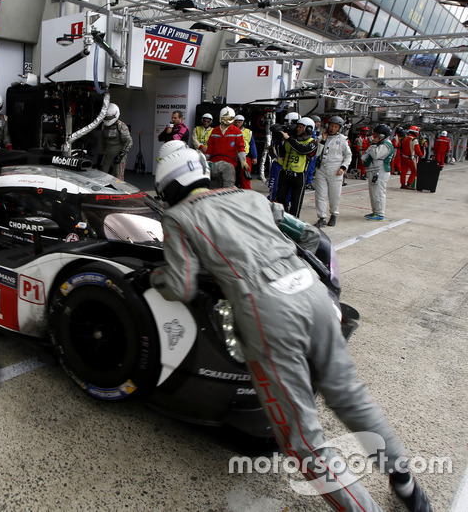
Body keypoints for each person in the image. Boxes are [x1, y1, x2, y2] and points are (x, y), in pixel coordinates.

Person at [143, 143, 433, 512]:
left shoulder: (179, 218)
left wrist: (157, 278)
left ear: (168, 188)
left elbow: (181, 286)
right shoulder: (251, 197)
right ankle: (406, 484)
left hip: (268, 311)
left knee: (301, 440)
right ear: (200, 172)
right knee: (349, 393)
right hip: (310, 290)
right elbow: (310, 236)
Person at [313, 116, 352, 228]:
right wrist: (323, 140)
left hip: (336, 170)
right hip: (321, 169)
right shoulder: (320, 138)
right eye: (331, 126)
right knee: (320, 195)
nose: (332, 128)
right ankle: (322, 217)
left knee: (334, 195)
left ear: (339, 128)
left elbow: (349, 156)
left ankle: (334, 214)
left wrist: (343, 167)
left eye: (335, 127)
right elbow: (316, 154)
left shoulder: (342, 139)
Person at [275, 116, 317, 217]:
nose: (298, 129)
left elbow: (302, 149)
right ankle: (283, 217)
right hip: (285, 173)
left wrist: (289, 138)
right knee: (280, 198)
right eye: (298, 126)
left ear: (308, 129)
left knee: (296, 202)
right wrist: (277, 138)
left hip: (298, 175)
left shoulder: (312, 142)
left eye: (301, 127)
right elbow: (281, 153)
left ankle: (294, 220)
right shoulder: (290, 140)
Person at [204, 107, 247, 189]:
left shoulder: (236, 131)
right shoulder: (215, 131)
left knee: (227, 188)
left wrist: (243, 160)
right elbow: (210, 148)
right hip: (215, 164)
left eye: (230, 118)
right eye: (225, 118)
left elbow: (240, 147)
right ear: (221, 118)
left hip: (229, 165)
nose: (227, 120)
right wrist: (206, 161)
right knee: (214, 187)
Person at [362, 124, 394, 222]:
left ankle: (380, 213)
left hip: (380, 172)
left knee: (379, 192)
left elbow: (375, 154)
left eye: (377, 135)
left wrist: (373, 144)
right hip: (374, 171)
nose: (374, 136)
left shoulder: (386, 145)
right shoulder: (380, 144)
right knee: (373, 193)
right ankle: (375, 211)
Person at [98, 103, 133, 179]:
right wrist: (100, 155)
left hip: (118, 155)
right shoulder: (104, 126)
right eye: (106, 117)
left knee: (118, 177)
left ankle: (120, 190)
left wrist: (121, 154)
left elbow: (128, 141)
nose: (107, 119)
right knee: (103, 175)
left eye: (109, 117)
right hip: (107, 155)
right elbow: (103, 142)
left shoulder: (120, 125)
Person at [233, 114, 257, 189]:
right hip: (233, 156)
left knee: (246, 175)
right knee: (232, 174)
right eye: (236, 122)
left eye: (239, 122)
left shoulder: (248, 132)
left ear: (243, 122)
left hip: (245, 156)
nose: (238, 124)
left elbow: (252, 144)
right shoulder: (231, 131)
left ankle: (246, 190)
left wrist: (254, 157)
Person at [400, 126, 423, 190]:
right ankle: (409, 184)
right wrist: (421, 156)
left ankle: (403, 184)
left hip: (403, 157)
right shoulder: (414, 140)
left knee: (404, 171)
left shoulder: (405, 138)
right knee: (414, 171)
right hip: (410, 158)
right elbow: (417, 150)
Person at [304, 114, 322, 189]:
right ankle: (304, 182)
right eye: (317, 122)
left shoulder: (314, 131)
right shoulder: (309, 132)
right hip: (310, 154)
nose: (318, 124)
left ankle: (309, 182)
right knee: (307, 169)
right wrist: (310, 154)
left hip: (314, 153)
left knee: (311, 169)